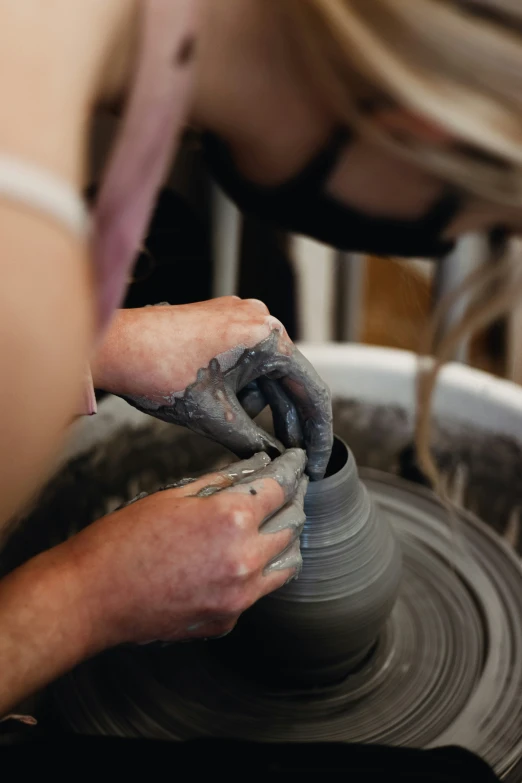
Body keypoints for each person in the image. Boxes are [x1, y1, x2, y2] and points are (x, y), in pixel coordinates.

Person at [0, 2, 515, 771]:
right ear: (418, 131)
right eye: (461, 221)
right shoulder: (23, 245)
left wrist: (108, 344)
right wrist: (85, 597)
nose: (443, 241)